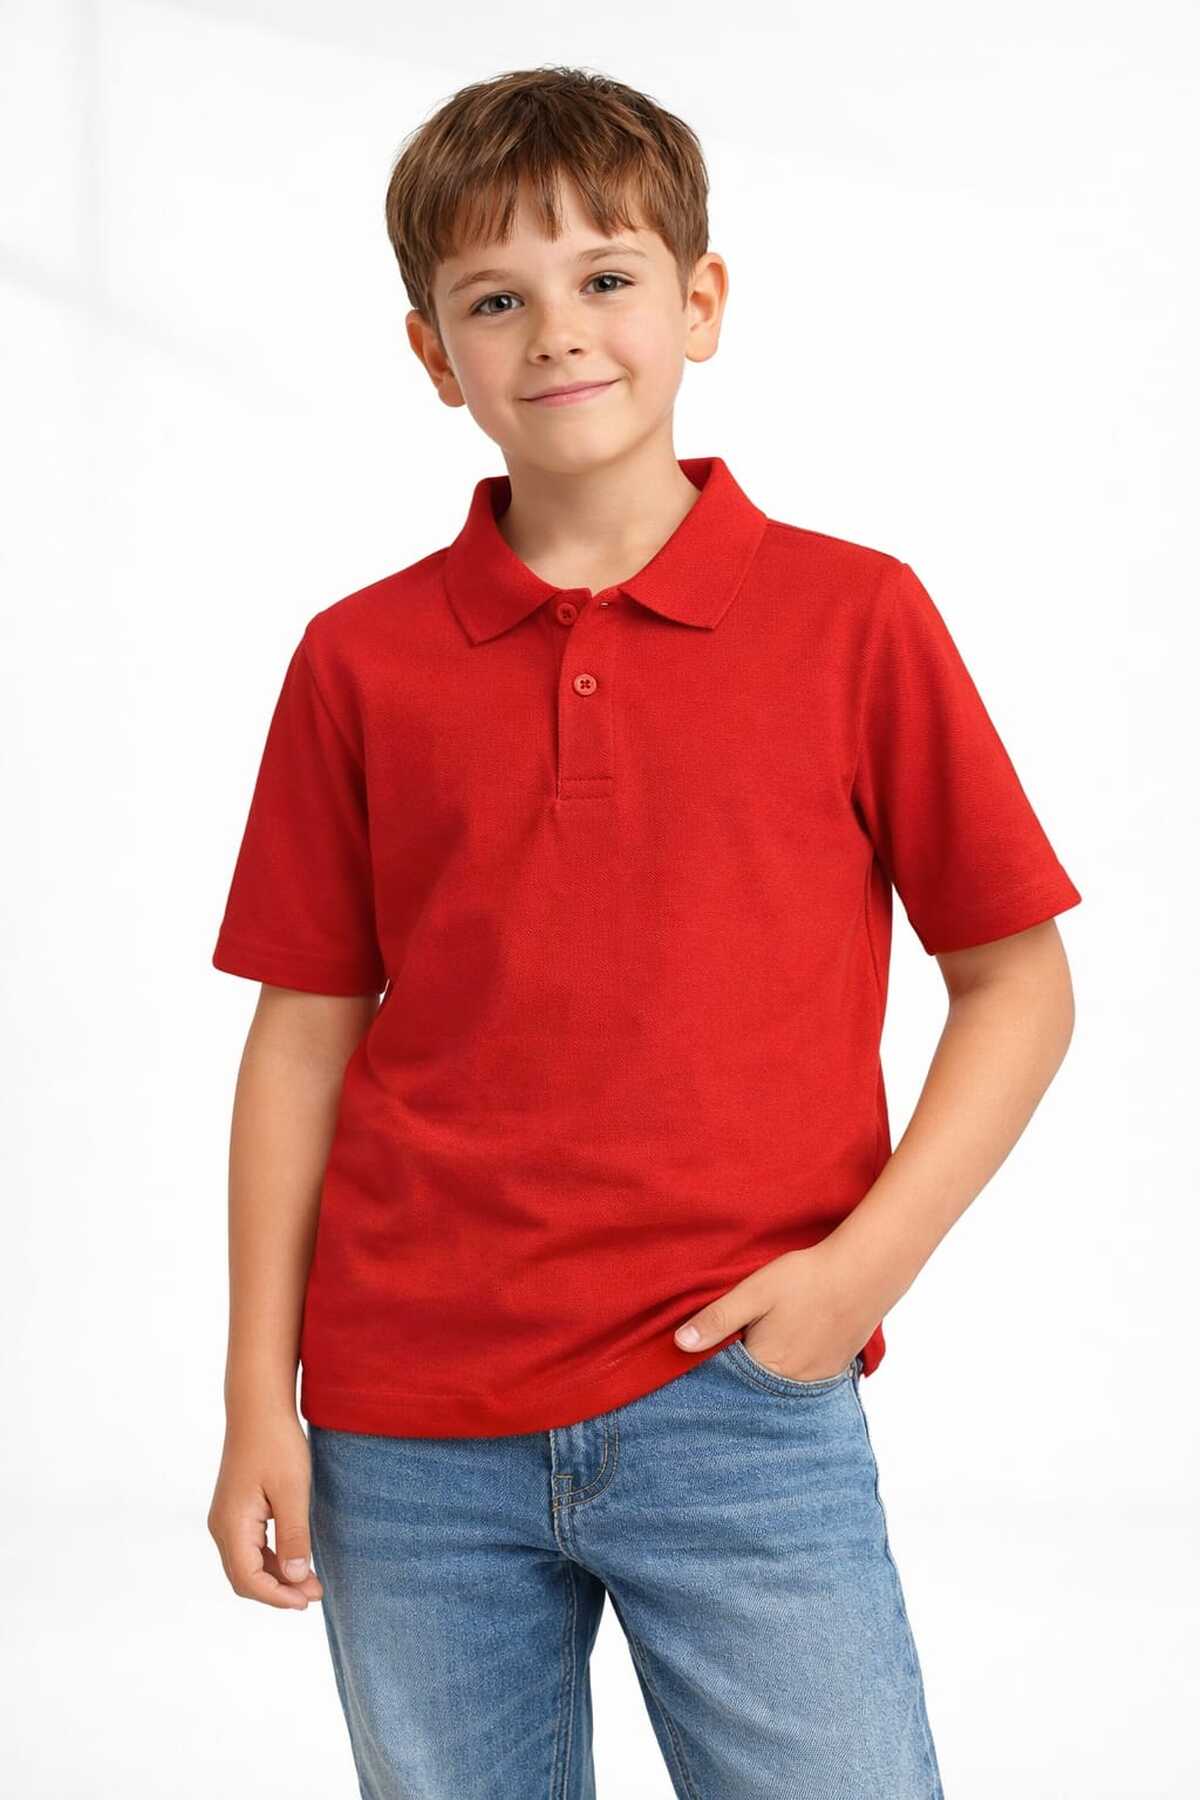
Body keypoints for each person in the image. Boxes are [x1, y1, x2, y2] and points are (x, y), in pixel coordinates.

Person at [205, 65, 1082, 1800]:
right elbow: (301, 1036)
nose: (555, 331)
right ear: (432, 355)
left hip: (739, 1396)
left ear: (699, 303)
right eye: (494, 300)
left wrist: (853, 1284)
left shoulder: (855, 617)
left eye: (604, 277)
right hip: (407, 1426)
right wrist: (256, 1398)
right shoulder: (357, 660)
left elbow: (1017, 981)